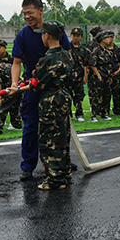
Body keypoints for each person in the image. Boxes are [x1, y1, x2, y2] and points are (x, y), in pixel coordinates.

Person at [10, 0, 71, 181]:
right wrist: (15, 83)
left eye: (30, 12)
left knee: (60, 127)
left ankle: (62, 163)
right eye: (24, 14)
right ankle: (28, 165)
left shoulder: (55, 32)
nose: (27, 16)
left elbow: (68, 57)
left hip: (54, 90)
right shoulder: (23, 36)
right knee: (30, 127)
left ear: (40, 10)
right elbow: (16, 63)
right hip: (32, 88)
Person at [18, 20, 75, 190]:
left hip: (50, 100)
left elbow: (36, 85)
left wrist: (18, 88)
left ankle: (55, 180)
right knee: (62, 137)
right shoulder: (66, 55)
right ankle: (65, 172)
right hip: (64, 97)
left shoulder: (47, 59)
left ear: (47, 35)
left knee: (49, 140)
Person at [88, 32, 114, 122]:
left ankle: (104, 113)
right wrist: (99, 76)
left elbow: (109, 65)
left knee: (107, 95)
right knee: (96, 96)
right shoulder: (96, 50)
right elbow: (92, 64)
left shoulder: (106, 51)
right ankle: (94, 115)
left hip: (106, 77)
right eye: (107, 38)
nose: (109, 39)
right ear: (102, 39)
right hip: (98, 78)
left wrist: (110, 76)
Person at [69, 27, 90, 122]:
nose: (75, 38)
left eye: (78, 36)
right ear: (71, 35)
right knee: (67, 96)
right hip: (68, 75)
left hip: (79, 74)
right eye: (74, 35)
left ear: (81, 37)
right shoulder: (66, 48)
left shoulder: (83, 50)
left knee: (79, 96)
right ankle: (68, 114)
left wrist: (85, 76)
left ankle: (79, 114)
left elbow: (85, 65)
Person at [106, 30, 120, 116]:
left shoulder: (118, 49)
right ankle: (106, 110)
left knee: (116, 93)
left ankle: (117, 110)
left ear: (112, 38)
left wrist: (119, 71)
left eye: (109, 37)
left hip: (116, 73)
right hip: (106, 74)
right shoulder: (103, 49)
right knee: (106, 93)